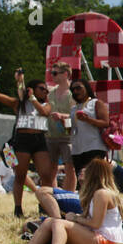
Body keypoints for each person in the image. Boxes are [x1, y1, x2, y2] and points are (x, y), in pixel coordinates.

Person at [0, 156, 123, 244]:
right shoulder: (97, 193)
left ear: (94, 174)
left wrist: (75, 218)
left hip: (107, 243)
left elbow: (96, 224)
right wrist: (77, 217)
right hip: (99, 238)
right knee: (49, 221)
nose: (84, 171)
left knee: (58, 223)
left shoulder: (102, 194)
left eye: (88, 170)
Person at [0, 67, 55, 218]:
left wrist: (33, 99)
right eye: (42, 89)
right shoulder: (19, 104)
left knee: (46, 175)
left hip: (40, 139)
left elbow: (44, 113)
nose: (45, 92)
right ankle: (18, 208)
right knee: (20, 175)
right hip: (22, 139)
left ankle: (44, 204)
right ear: (32, 89)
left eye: (46, 90)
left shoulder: (47, 104)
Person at [46, 62, 74, 190]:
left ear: (66, 74)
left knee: (70, 169)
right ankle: (53, 196)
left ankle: (69, 197)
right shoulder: (50, 92)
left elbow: (75, 114)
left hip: (68, 136)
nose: (52, 76)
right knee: (50, 169)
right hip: (50, 135)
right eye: (52, 73)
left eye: (55, 73)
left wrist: (62, 116)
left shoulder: (73, 93)